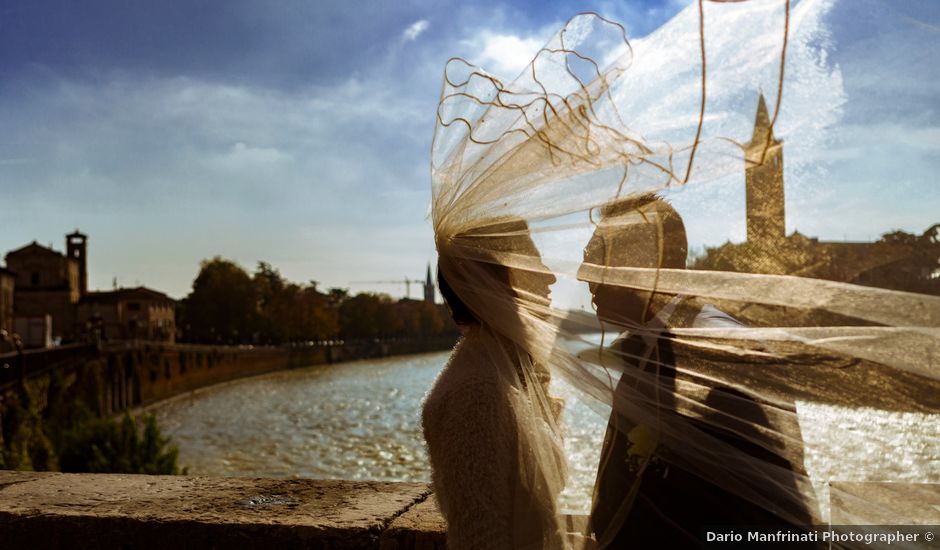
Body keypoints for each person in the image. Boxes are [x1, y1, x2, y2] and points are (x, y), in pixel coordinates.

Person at [580, 194, 811, 548]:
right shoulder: (647, 344)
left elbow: (775, 514)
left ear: (643, 265)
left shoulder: (720, 350)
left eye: (598, 257)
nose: (584, 276)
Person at [422, 218, 571, 550]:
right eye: (533, 263)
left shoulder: (504, 371)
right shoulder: (475, 393)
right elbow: (478, 538)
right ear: (498, 281)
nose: (549, 276)